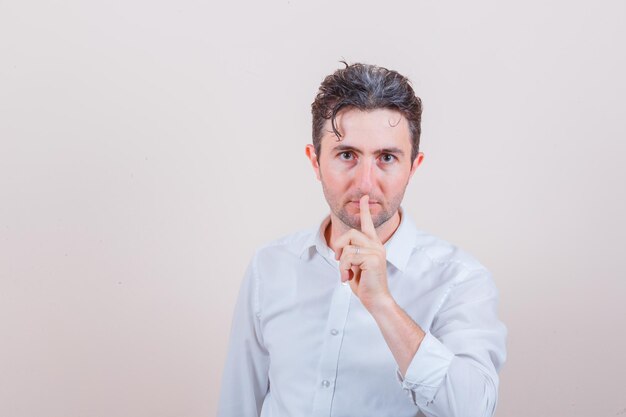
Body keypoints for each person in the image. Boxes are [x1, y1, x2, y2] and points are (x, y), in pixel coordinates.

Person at [217, 62, 507, 417]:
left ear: (413, 167)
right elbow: (239, 402)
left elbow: (473, 409)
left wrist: (382, 303)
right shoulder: (270, 265)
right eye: (347, 155)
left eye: (387, 158)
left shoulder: (459, 279)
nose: (365, 182)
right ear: (315, 161)